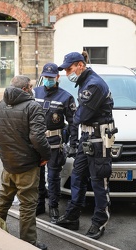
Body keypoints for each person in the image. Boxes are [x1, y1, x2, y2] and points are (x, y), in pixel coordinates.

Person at [54, 52, 115, 240]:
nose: (67, 73)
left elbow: (81, 116)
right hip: (87, 137)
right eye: (64, 70)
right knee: (77, 177)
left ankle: (99, 221)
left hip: (98, 140)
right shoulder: (83, 82)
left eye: (69, 69)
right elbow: (79, 117)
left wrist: (70, 119)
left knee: (98, 182)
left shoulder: (94, 85)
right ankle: (72, 216)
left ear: (80, 65)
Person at [0, 75, 51, 250]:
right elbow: (37, 138)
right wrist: (46, 155)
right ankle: (28, 243)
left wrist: (7, 152)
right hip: (27, 165)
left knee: (3, 200)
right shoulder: (33, 107)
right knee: (27, 205)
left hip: (8, 163)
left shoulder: (1, 104)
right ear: (26, 88)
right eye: (31, 86)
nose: (32, 88)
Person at [34, 63, 78, 221]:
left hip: (54, 143)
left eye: (51, 78)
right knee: (37, 176)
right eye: (45, 77)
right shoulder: (35, 92)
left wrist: (73, 144)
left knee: (53, 176)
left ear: (57, 77)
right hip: (36, 143)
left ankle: (53, 206)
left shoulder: (66, 97)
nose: (48, 80)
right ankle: (39, 204)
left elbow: (73, 123)